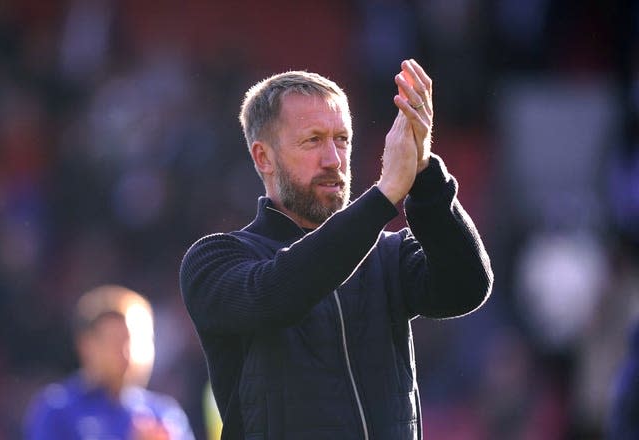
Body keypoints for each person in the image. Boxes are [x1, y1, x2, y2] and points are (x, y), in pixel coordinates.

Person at [179, 58, 493, 439]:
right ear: (264, 157)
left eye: (341, 139)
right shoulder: (215, 260)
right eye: (313, 140)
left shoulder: (386, 253)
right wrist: (383, 197)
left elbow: (466, 288)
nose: (333, 160)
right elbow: (278, 293)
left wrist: (424, 172)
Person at [24, 284, 195, 440]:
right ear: (86, 346)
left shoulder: (164, 415)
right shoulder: (57, 410)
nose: (127, 352)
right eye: (116, 341)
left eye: (137, 341)